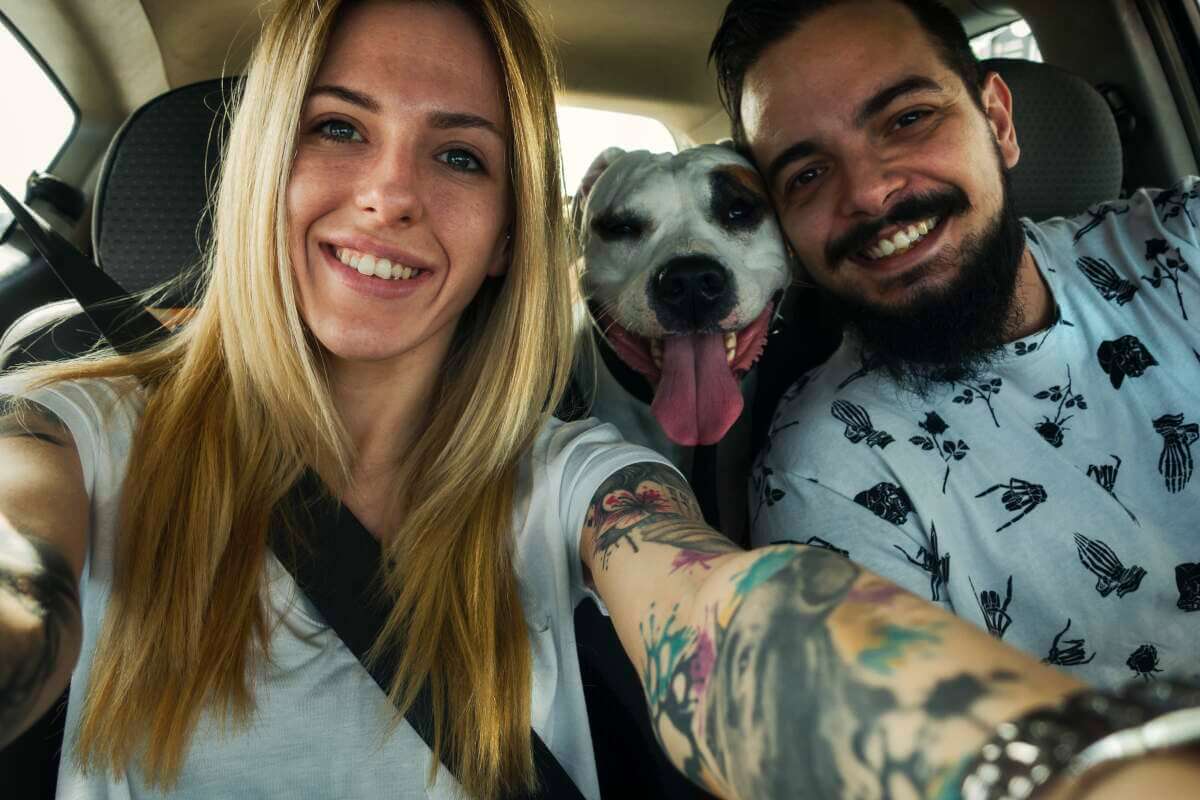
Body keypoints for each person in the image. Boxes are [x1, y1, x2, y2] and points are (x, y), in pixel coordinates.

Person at [0, 2, 1193, 799]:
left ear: (512, 226)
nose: (389, 194)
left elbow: (733, 610)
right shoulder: (81, 422)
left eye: (460, 153)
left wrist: (1064, 764)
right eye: (335, 127)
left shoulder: (563, 478)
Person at [710, 0, 1200, 690]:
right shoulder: (827, 475)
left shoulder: (1181, 245)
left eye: (907, 119)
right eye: (808, 175)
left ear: (997, 123)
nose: (872, 194)